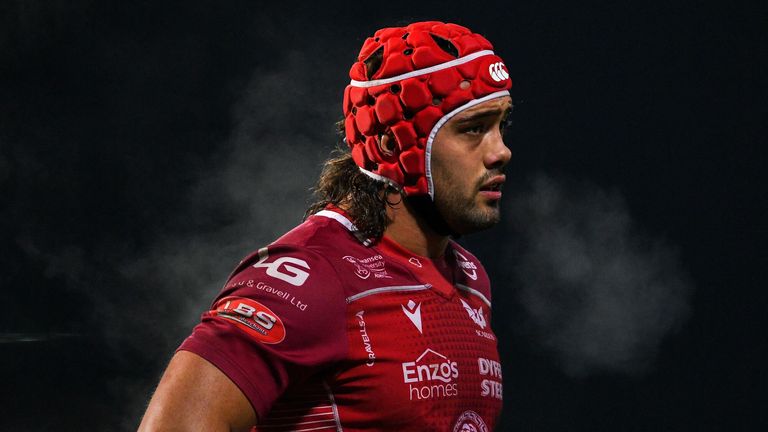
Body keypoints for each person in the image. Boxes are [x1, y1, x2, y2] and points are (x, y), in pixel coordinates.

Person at [139, 20, 512, 432]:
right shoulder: (309, 278)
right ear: (392, 143)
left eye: (501, 126)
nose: (501, 152)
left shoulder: (470, 277)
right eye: (473, 128)